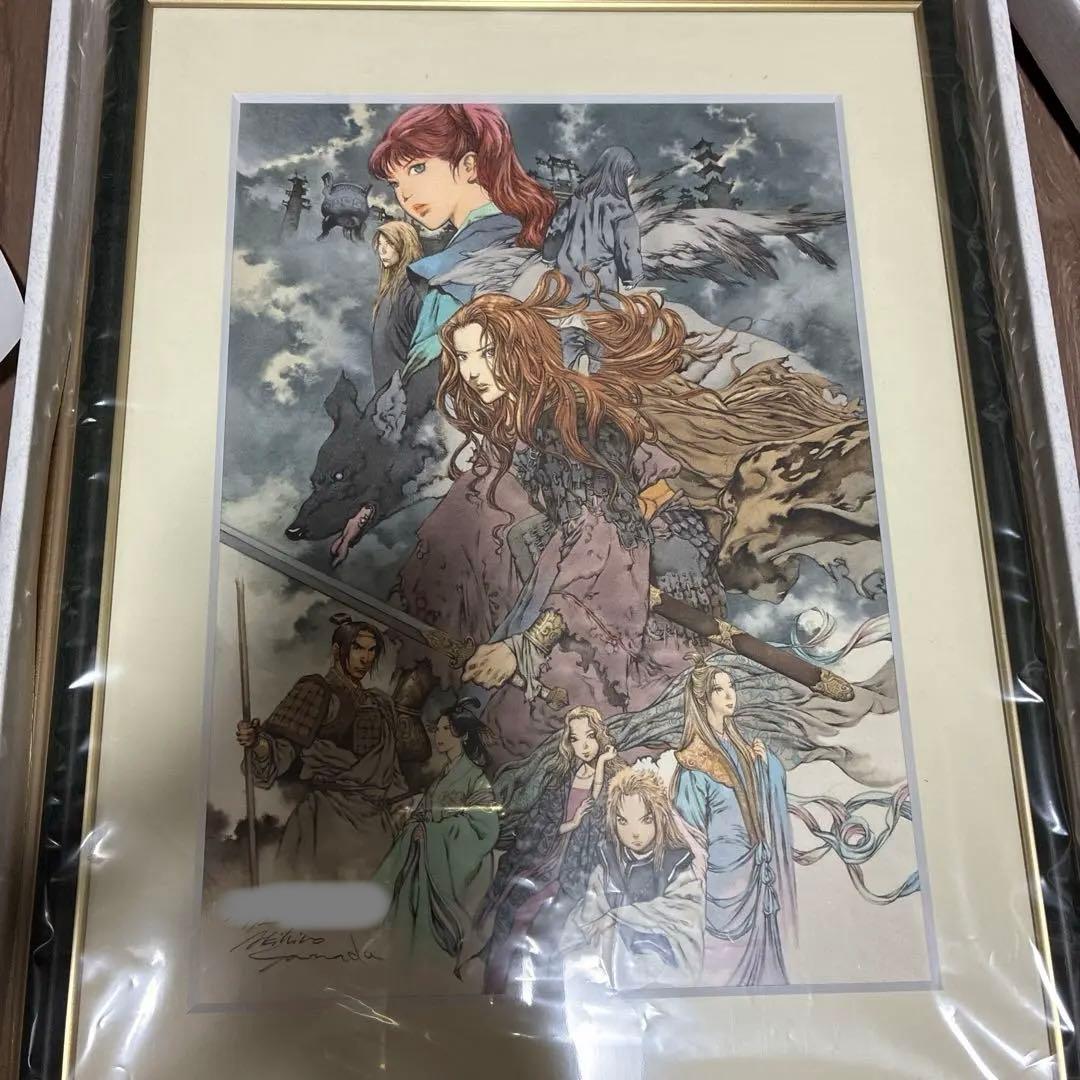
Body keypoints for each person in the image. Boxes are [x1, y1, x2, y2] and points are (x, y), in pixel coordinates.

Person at [368, 103, 556, 382]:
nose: (404, 194)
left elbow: (422, 387)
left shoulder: (456, 271)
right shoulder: (525, 242)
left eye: (418, 168)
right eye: (395, 183)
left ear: (469, 166)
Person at [235, 616, 405, 881]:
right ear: (338, 650)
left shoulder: (379, 703)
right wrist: (257, 743)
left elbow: (391, 770)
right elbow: (281, 749)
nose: (366, 658)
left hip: (376, 824)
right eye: (358, 648)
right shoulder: (316, 691)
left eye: (372, 651)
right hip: (328, 821)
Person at [477, 706, 624, 996]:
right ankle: (495, 989)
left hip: (581, 869)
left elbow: (601, 819)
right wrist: (571, 823)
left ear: (599, 736)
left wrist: (602, 769)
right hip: (545, 860)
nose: (584, 745)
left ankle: (542, 995)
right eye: (576, 738)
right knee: (509, 912)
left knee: (549, 926)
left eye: (590, 736)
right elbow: (540, 823)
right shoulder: (561, 778)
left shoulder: (614, 776)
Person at [671, 653, 795, 987]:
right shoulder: (693, 764)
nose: (730, 695)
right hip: (720, 878)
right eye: (719, 689)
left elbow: (757, 799)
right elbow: (688, 831)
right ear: (703, 699)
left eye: (732, 687)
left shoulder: (741, 747)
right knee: (722, 969)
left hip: (754, 868)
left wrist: (765, 766)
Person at [371, 703, 499, 978]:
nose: (439, 735)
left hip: (451, 865)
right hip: (427, 860)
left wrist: (432, 833)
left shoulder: (475, 778)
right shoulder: (444, 776)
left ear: (464, 735)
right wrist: (417, 825)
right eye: (437, 729)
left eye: (447, 729)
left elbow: (485, 829)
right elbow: (423, 813)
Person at [561, 766, 703, 991]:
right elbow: (589, 918)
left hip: (661, 960)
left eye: (645, 820)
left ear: (659, 818)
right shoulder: (607, 865)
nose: (634, 832)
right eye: (623, 821)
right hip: (608, 963)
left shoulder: (676, 865)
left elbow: (685, 915)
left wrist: (620, 916)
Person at [370, 220, 424, 398]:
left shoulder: (414, 289)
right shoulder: (391, 288)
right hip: (387, 393)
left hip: (407, 395)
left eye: (390, 244)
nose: (382, 251)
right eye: (380, 244)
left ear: (405, 246)